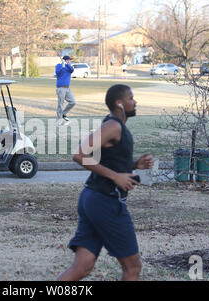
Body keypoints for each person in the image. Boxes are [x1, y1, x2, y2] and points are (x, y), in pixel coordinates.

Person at [55, 84, 154, 281]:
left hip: (93, 199)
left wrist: (134, 165)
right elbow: (79, 154)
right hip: (106, 202)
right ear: (120, 103)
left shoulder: (118, 127)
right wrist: (115, 177)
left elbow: (110, 161)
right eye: (131, 98)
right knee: (132, 267)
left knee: (82, 266)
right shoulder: (113, 126)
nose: (135, 102)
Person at [55, 56, 76, 126]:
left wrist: (66, 64)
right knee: (60, 104)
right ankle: (59, 120)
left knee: (73, 102)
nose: (70, 61)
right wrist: (62, 65)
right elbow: (57, 73)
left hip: (67, 88)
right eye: (69, 60)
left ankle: (63, 114)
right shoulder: (58, 66)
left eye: (70, 60)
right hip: (60, 88)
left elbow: (72, 70)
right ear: (66, 60)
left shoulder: (69, 66)